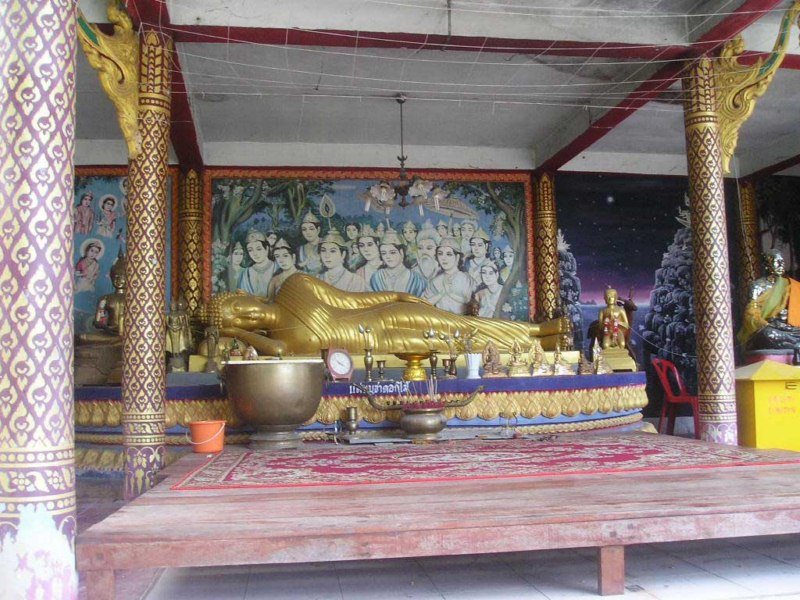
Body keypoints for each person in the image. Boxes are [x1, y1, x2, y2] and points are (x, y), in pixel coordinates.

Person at [198, 273, 568, 357]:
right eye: (236, 322)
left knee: (460, 325)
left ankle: (536, 331)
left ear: (243, 296)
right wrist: (235, 335)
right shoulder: (279, 342)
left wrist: (396, 295)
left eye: (238, 309)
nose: (246, 317)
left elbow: (350, 300)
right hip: (381, 345)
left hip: (385, 315)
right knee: (454, 345)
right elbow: (277, 353)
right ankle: (533, 348)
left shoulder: (295, 286)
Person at [737, 249, 800, 351]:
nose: (781, 265)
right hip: (771, 327)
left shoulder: (791, 285)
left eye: (782, 261)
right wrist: (766, 324)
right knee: (766, 334)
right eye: (777, 261)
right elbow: (751, 313)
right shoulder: (758, 286)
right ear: (767, 265)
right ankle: (795, 343)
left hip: (790, 328)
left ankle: (793, 342)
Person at [424, 237, 474, 314]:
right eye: (440, 254)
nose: (443, 258)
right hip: (439, 318)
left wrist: (449, 292)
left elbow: (468, 301)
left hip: (459, 319)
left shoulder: (465, 278)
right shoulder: (435, 281)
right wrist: (442, 293)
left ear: (457, 257)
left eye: (449, 254)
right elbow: (425, 304)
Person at [370, 229, 427, 295]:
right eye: (383, 253)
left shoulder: (416, 279)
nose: (388, 256)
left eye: (392, 252)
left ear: (401, 253)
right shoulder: (377, 277)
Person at [319, 228, 366, 293]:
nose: (327, 255)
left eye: (332, 251)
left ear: (343, 254)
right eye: (323, 250)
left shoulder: (356, 281)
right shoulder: (318, 278)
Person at [237, 230, 274, 296]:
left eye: (258, 249)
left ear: (267, 249)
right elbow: (242, 296)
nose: (255, 254)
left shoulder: (277, 268)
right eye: (250, 250)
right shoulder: (246, 273)